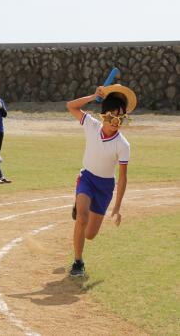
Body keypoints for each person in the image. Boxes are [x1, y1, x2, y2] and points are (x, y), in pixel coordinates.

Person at [66, 84, 136, 277]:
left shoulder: (123, 144)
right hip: (87, 178)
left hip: (105, 187)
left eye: (121, 117)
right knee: (81, 218)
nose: (117, 121)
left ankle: (81, 207)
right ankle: (78, 262)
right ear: (104, 115)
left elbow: (122, 178)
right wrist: (92, 96)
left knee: (90, 234)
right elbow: (71, 106)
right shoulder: (91, 125)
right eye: (114, 116)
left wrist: (117, 206)